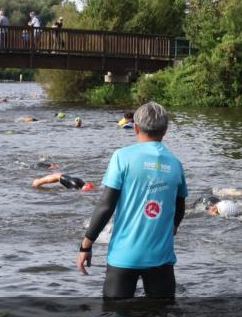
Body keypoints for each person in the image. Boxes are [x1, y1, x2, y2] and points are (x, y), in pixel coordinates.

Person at [77, 102, 187, 299]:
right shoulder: (176, 164)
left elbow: (106, 206)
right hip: (161, 258)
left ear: (136, 127)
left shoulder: (122, 157)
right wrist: (172, 228)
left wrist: (86, 244)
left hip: (124, 257)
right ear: (166, 130)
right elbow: (180, 207)